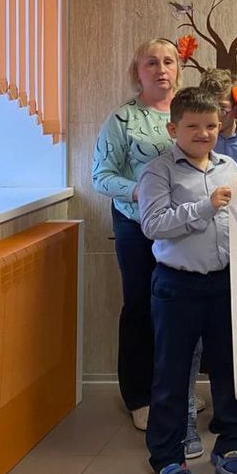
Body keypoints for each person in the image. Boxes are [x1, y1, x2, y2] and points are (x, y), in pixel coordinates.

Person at [137, 87, 237, 474]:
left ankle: (231, 443)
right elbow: (152, 224)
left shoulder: (230, 167)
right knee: (171, 373)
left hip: (224, 283)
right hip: (176, 285)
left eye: (211, 125)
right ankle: (167, 456)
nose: (204, 133)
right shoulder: (158, 172)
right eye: (193, 126)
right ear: (173, 129)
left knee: (229, 369)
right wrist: (206, 206)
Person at [92, 38, 183, 431]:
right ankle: (140, 396)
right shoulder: (123, 120)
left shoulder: (188, 110)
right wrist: (142, 192)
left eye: (168, 61)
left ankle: (173, 391)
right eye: (151, 62)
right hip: (137, 225)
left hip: (184, 226)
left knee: (178, 310)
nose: (161, 69)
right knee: (141, 307)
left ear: (178, 69)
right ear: (137, 72)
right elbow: (101, 176)